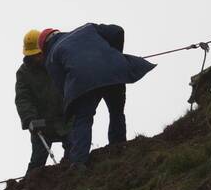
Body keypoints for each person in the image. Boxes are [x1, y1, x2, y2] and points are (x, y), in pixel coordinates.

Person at [34, 24, 155, 168]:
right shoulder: (87, 28)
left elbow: (62, 86)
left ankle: (79, 162)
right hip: (114, 71)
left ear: (44, 47)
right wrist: (114, 55)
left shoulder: (52, 55)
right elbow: (117, 31)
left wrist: (70, 104)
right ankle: (119, 147)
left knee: (83, 119)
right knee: (116, 111)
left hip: (84, 82)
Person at [16, 30, 71, 175]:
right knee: (37, 162)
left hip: (63, 117)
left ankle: (71, 179)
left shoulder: (56, 61)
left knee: (74, 151)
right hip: (40, 123)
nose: (37, 57)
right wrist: (30, 119)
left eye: (38, 53)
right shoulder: (23, 73)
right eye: (33, 55)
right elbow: (23, 98)